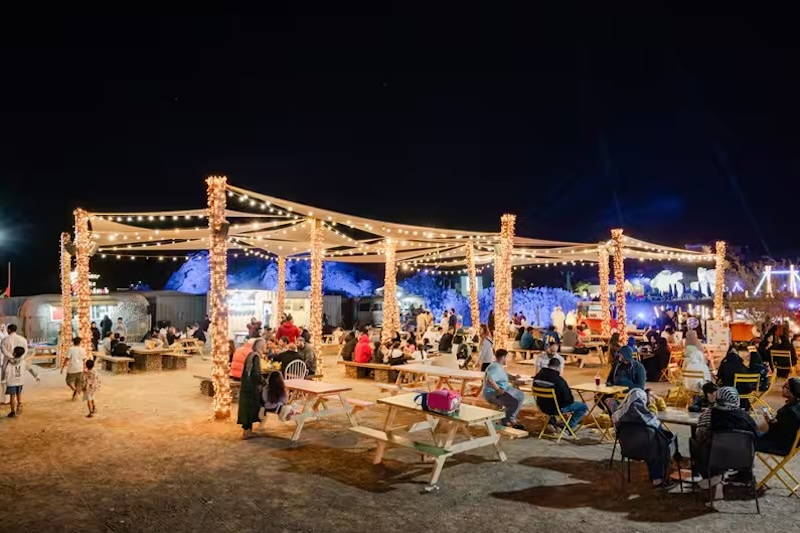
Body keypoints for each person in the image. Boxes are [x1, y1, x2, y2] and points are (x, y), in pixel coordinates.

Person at [693, 387, 759, 495]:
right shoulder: (745, 417)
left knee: (698, 443)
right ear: (736, 399)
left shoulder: (709, 414)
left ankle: (711, 476)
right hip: (742, 459)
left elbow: (700, 433)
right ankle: (744, 475)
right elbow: (756, 436)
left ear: (717, 398)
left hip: (714, 458)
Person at [612, 389, 677, 489]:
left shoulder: (619, 417)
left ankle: (655, 477)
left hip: (629, 449)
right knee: (659, 443)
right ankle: (660, 478)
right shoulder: (648, 419)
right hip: (649, 450)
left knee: (652, 442)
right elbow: (659, 430)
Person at [533, 357, 588, 432]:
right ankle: (568, 427)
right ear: (558, 367)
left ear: (548, 365)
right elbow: (568, 399)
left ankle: (552, 422)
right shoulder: (559, 380)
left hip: (542, 407)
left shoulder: (537, 377)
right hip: (556, 408)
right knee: (583, 406)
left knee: (551, 401)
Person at [756, 377, 800, 455]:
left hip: (779, 446)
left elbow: (779, 433)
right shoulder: (795, 405)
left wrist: (769, 421)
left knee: (747, 439)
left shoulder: (790, 412)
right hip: (787, 443)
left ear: (793, 391)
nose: (782, 388)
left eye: (786, 387)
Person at [482, 349, 525, 430]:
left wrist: (514, 377)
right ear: (503, 357)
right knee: (513, 403)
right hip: (493, 393)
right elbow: (489, 379)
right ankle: (506, 420)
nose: (507, 359)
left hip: (504, 389)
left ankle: (509, 418)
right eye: (507, 357)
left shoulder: (498, 365)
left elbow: (503, 375)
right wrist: (498, 390)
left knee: (520, 395)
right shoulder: (495, 367)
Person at [237, 338, 265, 439]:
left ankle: (247, 431)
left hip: (246, 385)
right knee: (250, 409)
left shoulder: (250, 355)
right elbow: (256, 374)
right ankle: (247, 432)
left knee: (246, 409)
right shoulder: (256, 357)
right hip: (251, 387)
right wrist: (263, 382)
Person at [604, 346, 646, 411]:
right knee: (598, 397)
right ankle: (615, 412)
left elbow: (640, 386)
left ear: (626, 354)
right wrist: (609, 384)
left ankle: (619, 411)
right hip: (614, 391)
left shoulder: (638, 367)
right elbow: (609, 379)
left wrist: (626, 388)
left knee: (612, 401)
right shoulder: (616, 365)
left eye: (621, 353)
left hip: (629, 392)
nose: (619, 355)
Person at [1, 346, 40, 417]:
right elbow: (30, 369)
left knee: (12, 396)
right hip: (20, 381)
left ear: (14, 353)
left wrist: (3, 379)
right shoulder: (23, 362)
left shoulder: (9, 362)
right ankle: (19, 404)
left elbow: (5, 371)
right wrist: (36, 376)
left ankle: (12, 411)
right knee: (19, 394)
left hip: (11, 381)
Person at [61, 336, 86, 400]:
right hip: (80, 368)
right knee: (78, 382)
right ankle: (76, 394)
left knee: (69, 381)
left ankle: (74, 390)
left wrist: (63, 367)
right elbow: (84, 360)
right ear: (80, 342)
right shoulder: (82, 349)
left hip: (72, 368)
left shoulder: (71, 349)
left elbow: (67, 359)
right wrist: (84, 368)